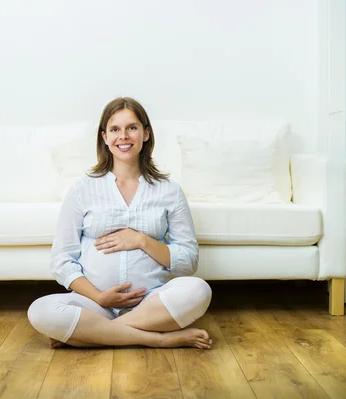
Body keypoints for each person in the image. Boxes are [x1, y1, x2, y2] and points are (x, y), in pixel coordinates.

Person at [27, 97, 213, 349]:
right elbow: (61, 260)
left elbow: (188, 260)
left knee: (199, 290)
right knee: (40, 310)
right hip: (94, 305)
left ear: (146, 133)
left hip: (150, 303)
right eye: (115, 129)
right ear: (104, 137)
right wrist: (99, 297)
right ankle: (159, 339)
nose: (123, 136)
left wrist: (141, 240)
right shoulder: (82, 190)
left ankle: (92, 334)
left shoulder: (169, 191)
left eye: (132, 128)